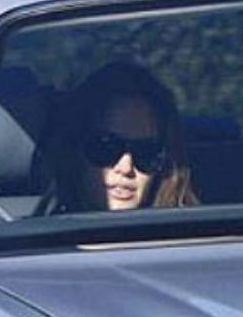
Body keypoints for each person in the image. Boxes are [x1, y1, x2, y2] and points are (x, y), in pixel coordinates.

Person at [54, 61, 199, 211]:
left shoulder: (192, 231)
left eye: (146, 152)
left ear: (164, 166)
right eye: (106, 148)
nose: (126, 168)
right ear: (76, 151)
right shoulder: (43, 228)